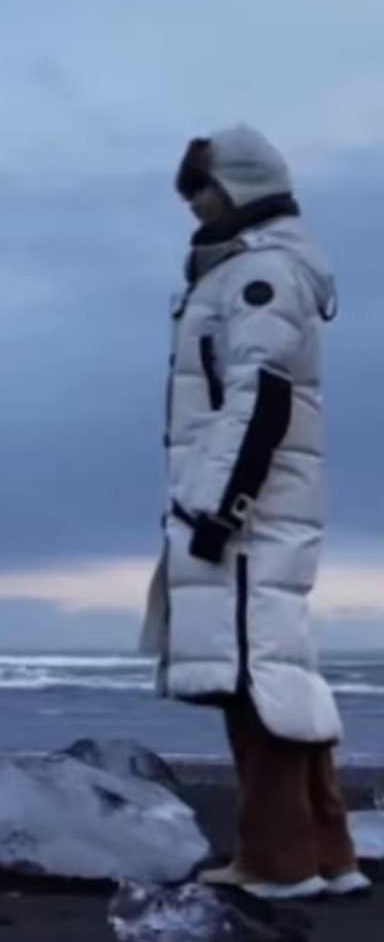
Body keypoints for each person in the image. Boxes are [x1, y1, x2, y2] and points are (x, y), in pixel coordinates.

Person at [140, 127, 369, 900]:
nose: (194, 205)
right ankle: (327, 852)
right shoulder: (253, 270)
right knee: (276, 666)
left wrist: (219, 508)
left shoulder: (258, 273)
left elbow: (261, 395)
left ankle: (276, 863)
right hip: (261, 503)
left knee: (253, 676)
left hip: (246, 507)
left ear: (238, 186)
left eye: (201, 189)